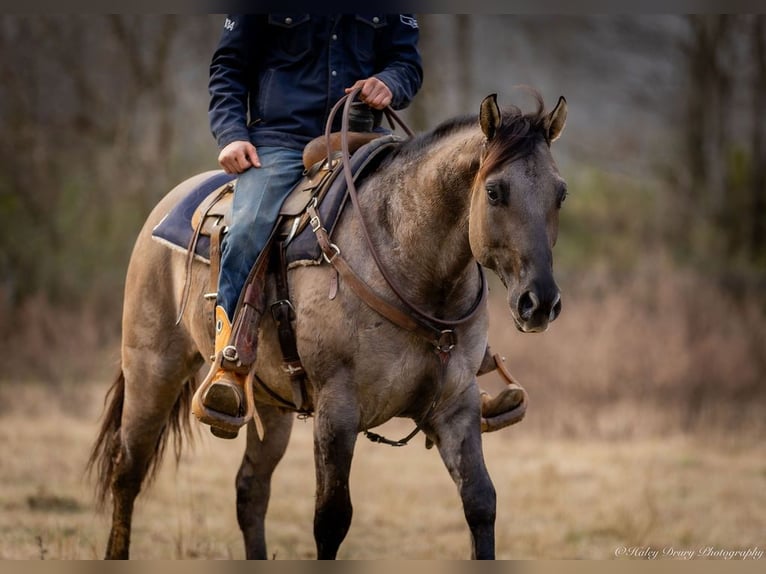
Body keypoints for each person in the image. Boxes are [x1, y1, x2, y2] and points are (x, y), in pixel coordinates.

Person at [195, 14, 523, 439]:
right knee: (248, 228)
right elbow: (229, 68)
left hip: (363, 138)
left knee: (442, 215)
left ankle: (465, 374)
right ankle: (230, 362)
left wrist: (390, 82)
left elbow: (406, 62)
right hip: (281, 142)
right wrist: (231, 135)